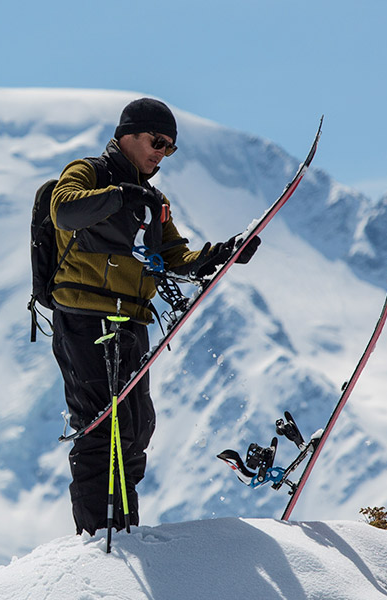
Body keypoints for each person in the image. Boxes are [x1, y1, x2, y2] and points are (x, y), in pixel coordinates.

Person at [48, 97, 256, 535]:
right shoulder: (89, 173)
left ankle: (123, 530)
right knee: (100, 428)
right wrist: (119, 195)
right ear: (127, 135)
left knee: (135, 428)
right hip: (84, 319)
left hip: (131, 324)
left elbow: (175, 257)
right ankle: (97, 537)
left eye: (170, 147)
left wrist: (222, 254)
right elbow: (64, 207)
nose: (161, 152)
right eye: (156, 141)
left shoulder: (153, 201)